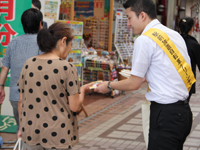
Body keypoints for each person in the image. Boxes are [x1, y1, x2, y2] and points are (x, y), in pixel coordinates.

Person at [95, 0, 195, 149]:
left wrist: (108, 85)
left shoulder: (145, 39)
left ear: (142, 15)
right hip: (183, 113)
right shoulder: (173, 35)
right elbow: (167, 71)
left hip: (165, 115)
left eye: (129, 18)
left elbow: (133, 84)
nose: (128, 24)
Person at [17, 22, 92, 150]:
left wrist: (21, 127)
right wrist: (82, 90)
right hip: (58, 134)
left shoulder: (28, 64)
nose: (69, 50)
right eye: (70, 45)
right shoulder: (67, 68)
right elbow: (74, 107)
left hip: (30, 131)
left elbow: (21, 101)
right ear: (63, 41)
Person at [0, 8, 43, 132]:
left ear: (23, 24)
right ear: (40, 24)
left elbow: (4, 68)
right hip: (38, 94)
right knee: (36, 130)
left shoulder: (12, 43)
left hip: (15, 94)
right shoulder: (42, 43)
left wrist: (1, 87)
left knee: (21, 128)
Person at [178, 17, 200, 102]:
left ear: (179, 28)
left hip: (172, 78)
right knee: (184, 104)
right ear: (192, 28)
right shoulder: (194, 44)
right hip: (188, 80)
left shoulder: (173, 41)